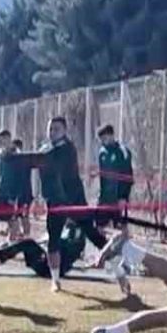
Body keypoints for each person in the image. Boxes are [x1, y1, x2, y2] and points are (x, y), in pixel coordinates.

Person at [38, 116, 107, 293]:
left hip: (74, 200)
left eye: (56, 129)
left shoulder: (67, 149)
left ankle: (119, 271)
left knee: (93, 234)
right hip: (55, 202)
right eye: (50, 129)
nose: (52, 132)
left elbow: (53, 161)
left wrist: (37, 156)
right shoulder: (46, 150)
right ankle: (55, 281)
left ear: (64, 131)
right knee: (53, 240)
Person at [0, 221, 89, 281]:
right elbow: (47, 241)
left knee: (28, 243)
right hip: (47, 259)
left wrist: (49, 247)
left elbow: (69, 251)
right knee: (26, 242)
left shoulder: (76, 232)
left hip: (54, 266)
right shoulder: (62, 227)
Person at [0, 131, 33, 243]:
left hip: (9, 195)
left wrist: (14, 196)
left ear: (8, 138)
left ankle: (14, 243)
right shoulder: (2, 154)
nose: (0, 143)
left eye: (2, 140)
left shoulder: (16, 155)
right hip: (0, 193)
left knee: (13, 222)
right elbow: (1, 174)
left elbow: (20, 178)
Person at [95, 124, 134, 229]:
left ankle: (122, 237)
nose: (103, 141)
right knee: (99, 225)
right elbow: (102, 177)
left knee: (119, 227)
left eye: (105, 138)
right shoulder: (102, 152)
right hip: (105, 198)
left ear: (111, 135)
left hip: (118, 197)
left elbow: (128, 176)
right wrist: (100, 195)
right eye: (101, 139)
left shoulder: (122, 151)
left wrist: (123, 197)